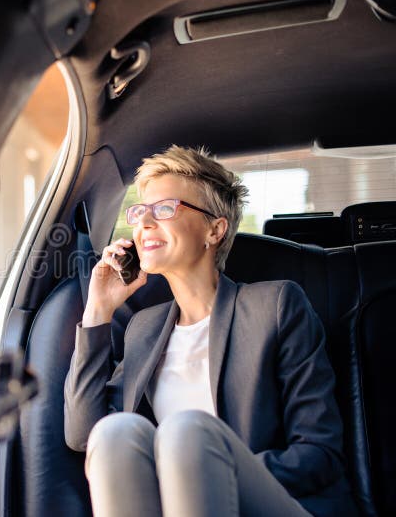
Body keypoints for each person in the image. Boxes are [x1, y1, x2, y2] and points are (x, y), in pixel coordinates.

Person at [63, 146, 357, 517]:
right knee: (114, 433)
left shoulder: (276, 306)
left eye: (165, 209)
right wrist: (99, 309)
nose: (144, 224)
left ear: (215, 229)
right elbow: (84, 434)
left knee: (187, 432)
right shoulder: (143, 329)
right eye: (140, 211)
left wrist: (214, 470)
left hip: (278, 505)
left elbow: (319, 454)